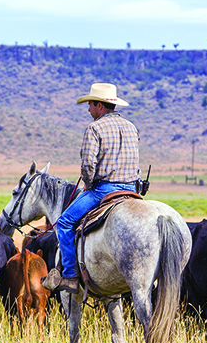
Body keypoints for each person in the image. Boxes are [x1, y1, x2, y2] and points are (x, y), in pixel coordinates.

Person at [42, 83, 140, 294]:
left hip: (104, 190)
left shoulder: (94, 128)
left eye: (90, 105)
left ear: (100, 105)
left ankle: (70, 275)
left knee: (64, 222)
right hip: (132, 190)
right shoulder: (131, 127)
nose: (88, 110)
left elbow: (88, 165)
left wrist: (88, 184)